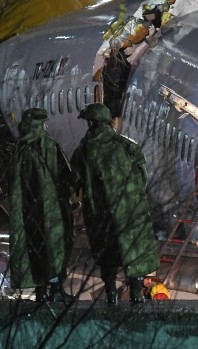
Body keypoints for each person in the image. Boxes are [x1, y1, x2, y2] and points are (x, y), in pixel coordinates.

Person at [71, 103, 160, 305]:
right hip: (130, 210)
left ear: (91, 123)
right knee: (135, 251)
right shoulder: (126, 146)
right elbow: (141, 172)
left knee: (107, 253)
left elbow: (75, 180)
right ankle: (136, 293)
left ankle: (111, 293)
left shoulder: (84, 151)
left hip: (101, 211)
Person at [8, 108, 76, 303]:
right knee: (54, 248)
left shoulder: (20, 149)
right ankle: (55, 288)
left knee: (34, 246)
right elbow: (63, 174)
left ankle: (40, 290)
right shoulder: (47, 145)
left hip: (28, 209)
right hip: (50, 208)